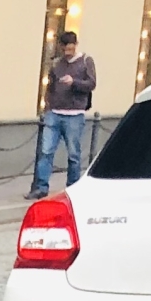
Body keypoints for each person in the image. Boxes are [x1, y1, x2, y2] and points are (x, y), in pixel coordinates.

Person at [31, 32, 97, 196]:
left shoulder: (86, 61)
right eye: (65, 49)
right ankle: (41, 187)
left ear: (75, 45)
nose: (67, 53)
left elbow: (91, 83)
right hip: (54, 112)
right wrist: (47, 105)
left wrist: (74, 82)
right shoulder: (57, 63)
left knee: (73, 154)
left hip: (74, 114)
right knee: (46, 151)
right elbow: (50, 85)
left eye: (70, 49)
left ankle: (72, 188)